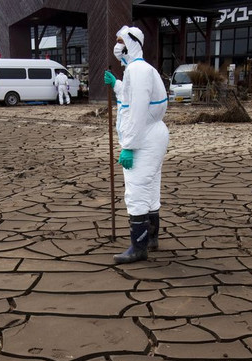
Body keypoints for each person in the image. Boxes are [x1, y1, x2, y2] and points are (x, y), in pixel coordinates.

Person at [104, 25, 169, 264]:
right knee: (150, 189)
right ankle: (151, 239)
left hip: (144, 137)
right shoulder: (136, 69)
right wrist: (117, 85)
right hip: (150, 134)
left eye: (121, 40)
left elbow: (139, 110)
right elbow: (130, 100)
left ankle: (139, 246)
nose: (117, 45)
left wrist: (129, 145)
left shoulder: (138, 70)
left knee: (137, 190)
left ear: (132, 42)